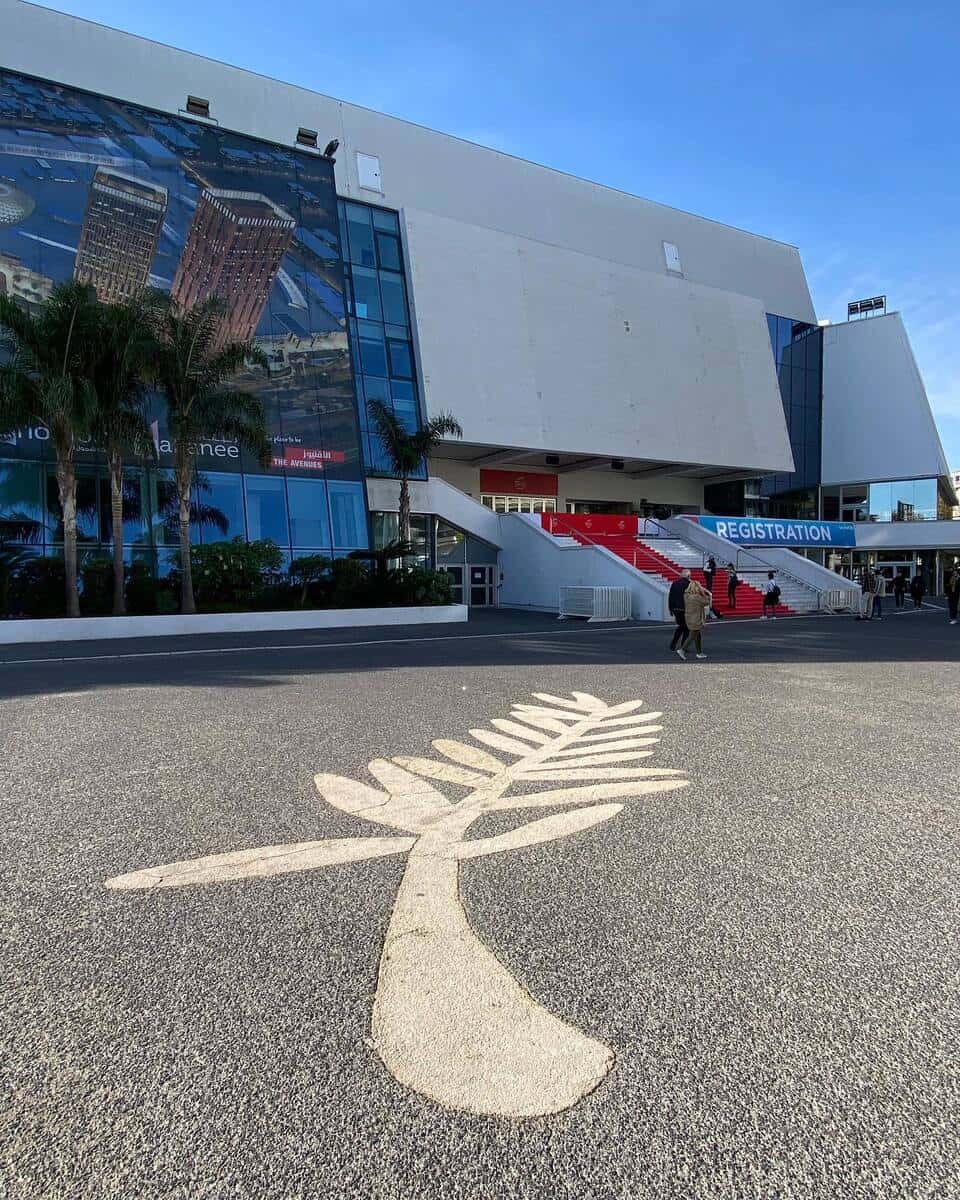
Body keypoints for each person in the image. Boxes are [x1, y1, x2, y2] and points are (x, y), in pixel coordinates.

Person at [680, 576, 711, 659]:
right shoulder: (697, 597)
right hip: (696, 618)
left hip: (688, 617)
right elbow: (707, 602)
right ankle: (682, 650)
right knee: (693, 635)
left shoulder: (686, 595)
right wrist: (707, 592)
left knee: (697, 635)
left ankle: (699, 652)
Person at [668, 569, 691, 657]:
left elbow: (670, 596)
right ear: (689, 576)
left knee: (682, 626)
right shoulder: (690, 585)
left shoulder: (675, 584)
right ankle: (682, 646)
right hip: (685, 609)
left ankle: (674, 643)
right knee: (686, 628)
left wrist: (670, 609)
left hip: (676, 609)